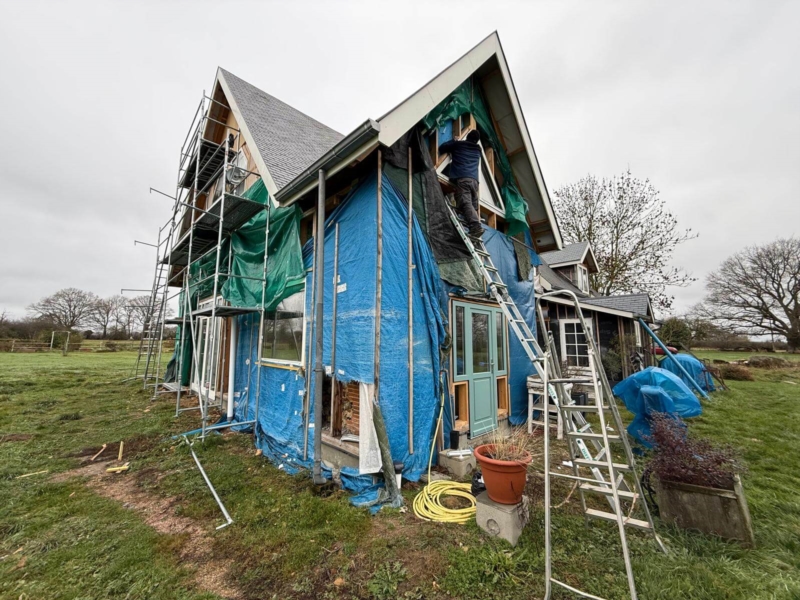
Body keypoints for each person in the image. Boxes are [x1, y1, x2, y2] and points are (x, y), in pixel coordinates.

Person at [438, 129, 483, 237]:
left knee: (465, 202)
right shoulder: (478, 150)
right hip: (474, 181)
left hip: (463, 179)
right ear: (476, 141)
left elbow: (442, 148)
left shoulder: (459, 145)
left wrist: (454, 140)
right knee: (471, 205)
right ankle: (472, 223)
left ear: (467, 137)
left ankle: (475, 226)